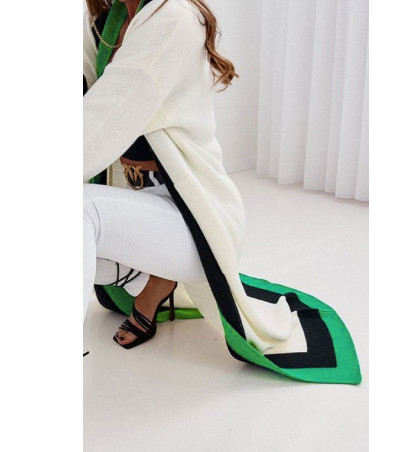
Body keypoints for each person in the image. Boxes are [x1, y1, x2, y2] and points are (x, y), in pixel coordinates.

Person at [84, 0, 362, 384]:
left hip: (191, 219)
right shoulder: (108, 23)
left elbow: (100, 120)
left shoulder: (174, 19)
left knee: (78, 212)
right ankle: (149, 279)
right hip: (139, 207)